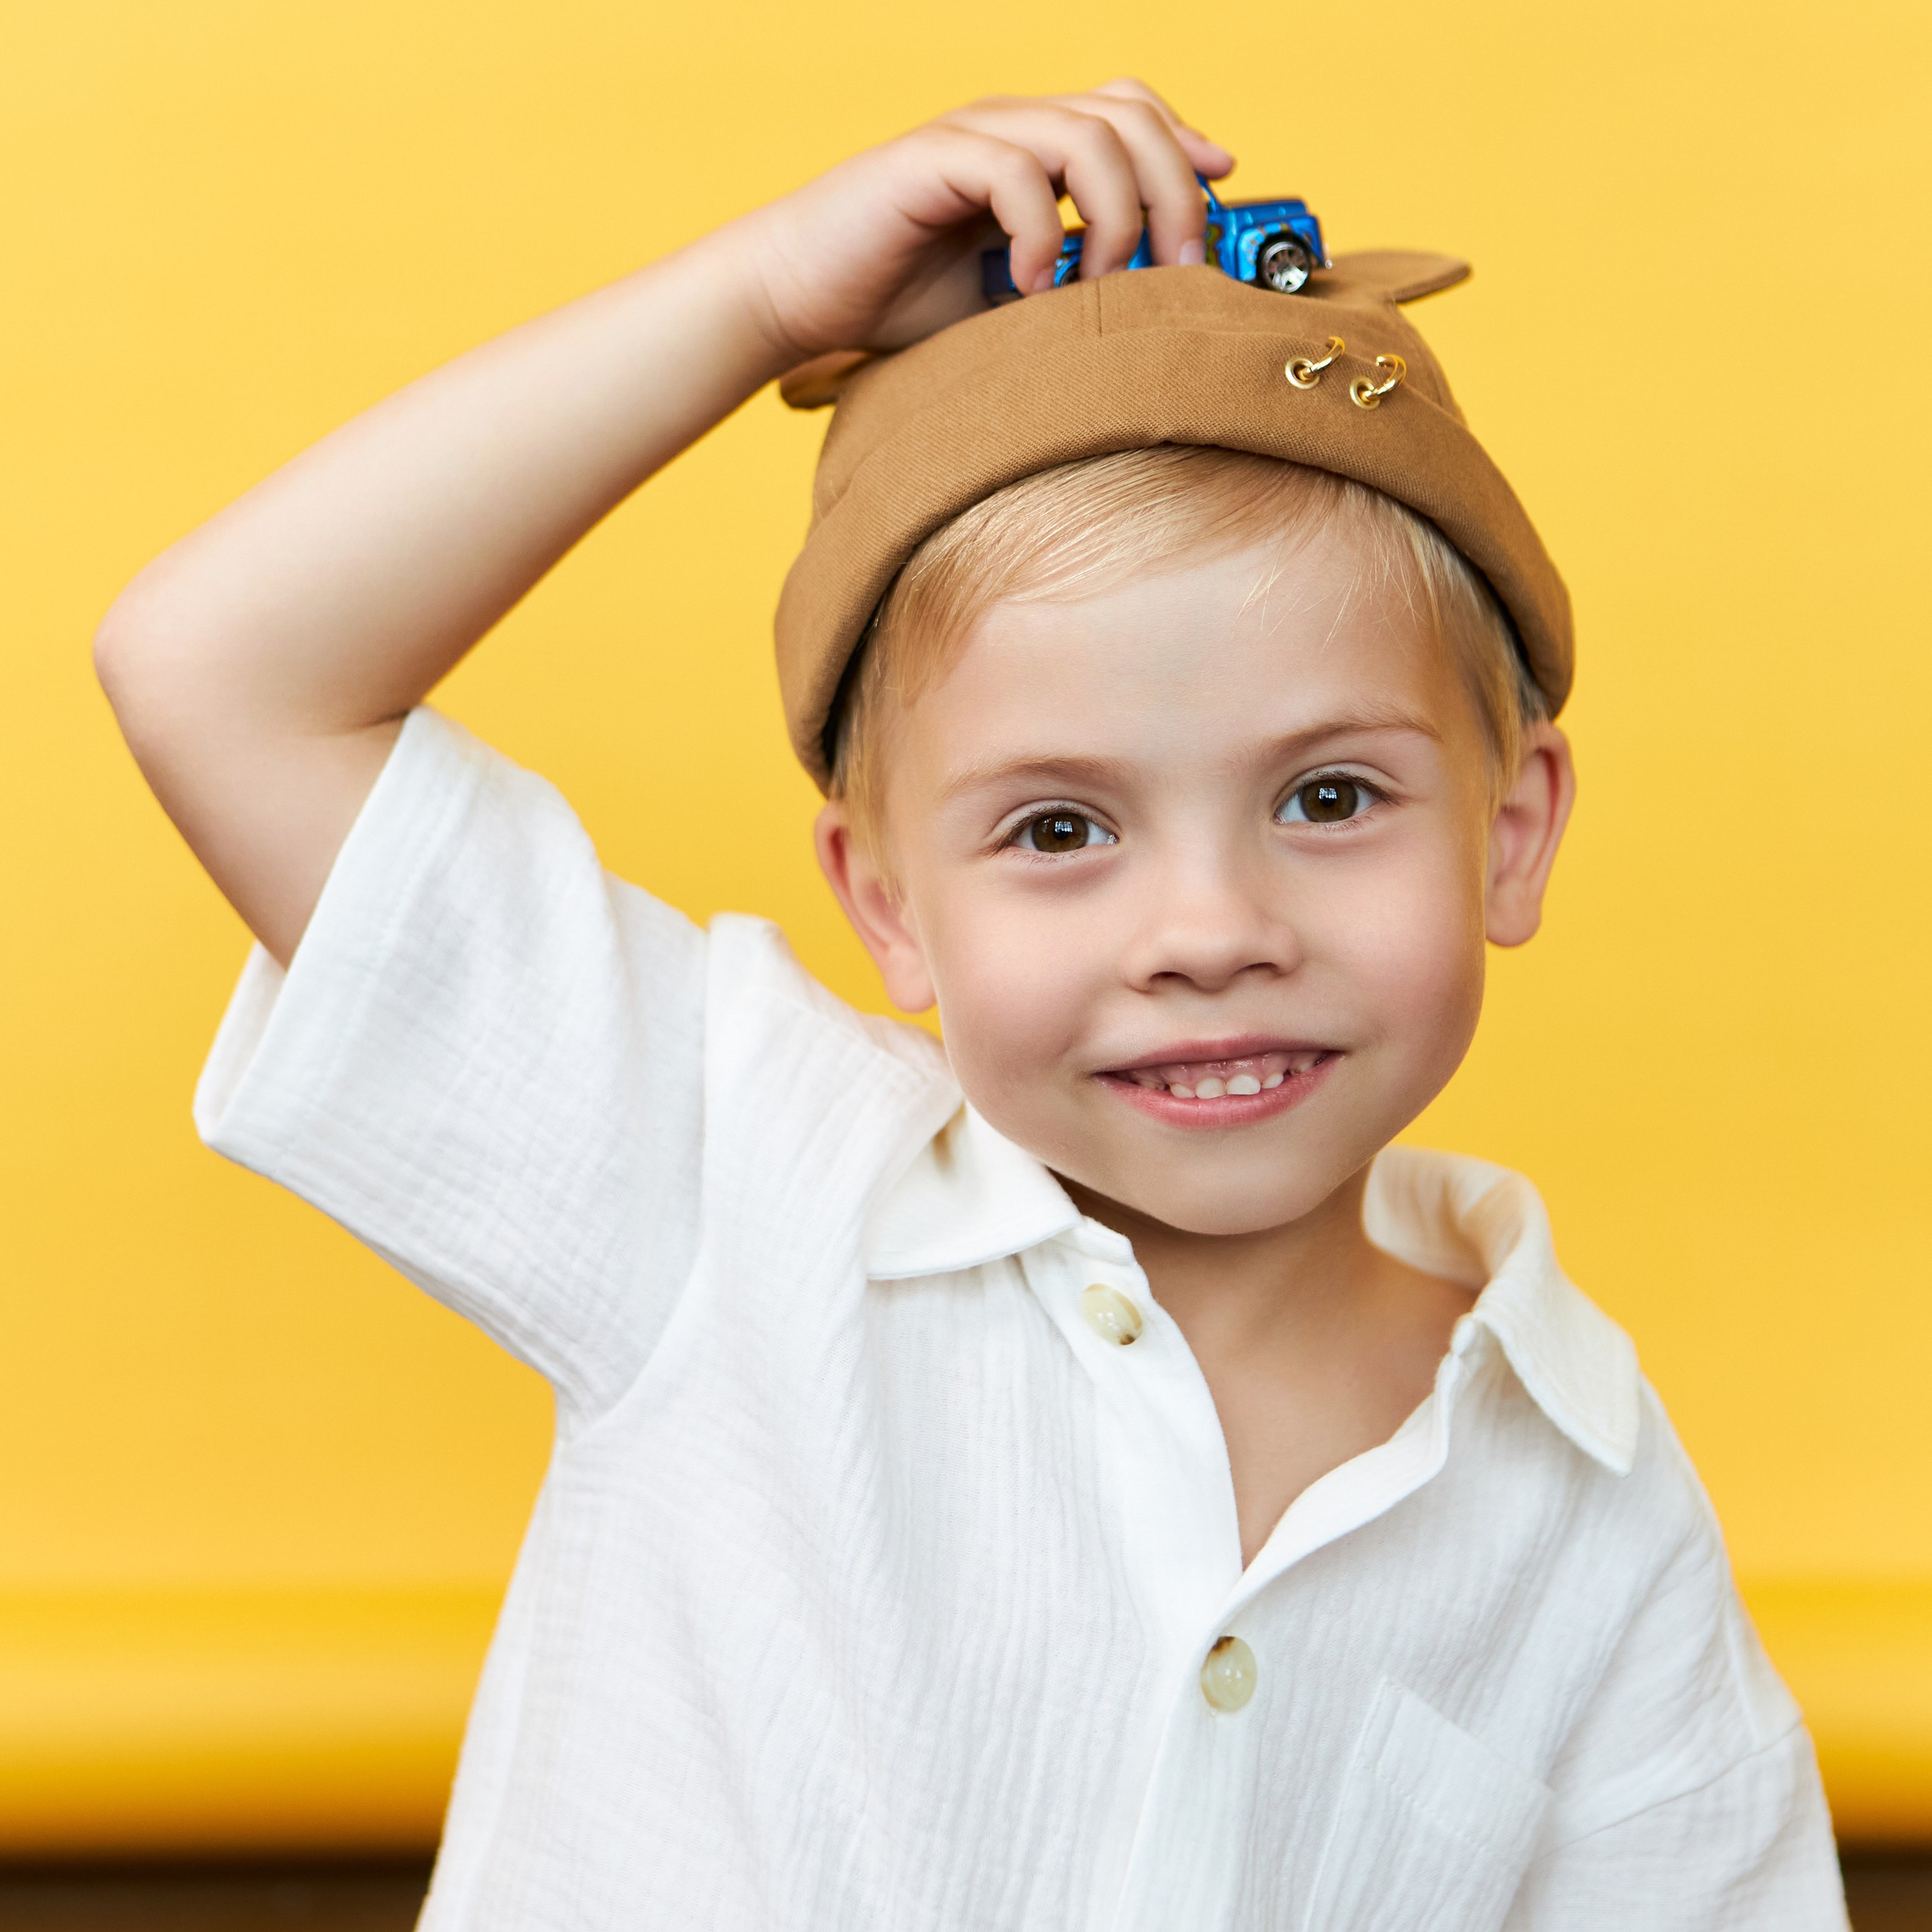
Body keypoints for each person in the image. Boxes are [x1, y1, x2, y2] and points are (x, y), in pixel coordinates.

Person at [94, 79, 1847, 1931]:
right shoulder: (726, 1171)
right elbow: (215, 673)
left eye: (1328, 796)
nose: (1207, 930)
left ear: (1508, 832)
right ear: (887, 905)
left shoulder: (1589, 1497)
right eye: (1058, 828)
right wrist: (759, 298)